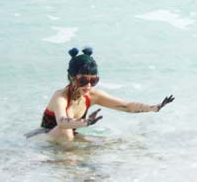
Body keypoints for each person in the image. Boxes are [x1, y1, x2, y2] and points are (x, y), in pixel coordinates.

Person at [27, 47, 174, 140]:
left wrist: (152, 108)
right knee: (66, 133)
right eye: (83, 80)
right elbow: (61, 123)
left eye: (93, 80)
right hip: (43, 139)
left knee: (112, 144)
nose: (89, 85)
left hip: (70, 137)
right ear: (72, 77)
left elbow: (126, 106)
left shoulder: (92, 96)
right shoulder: (60, 96)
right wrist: (85, 122)